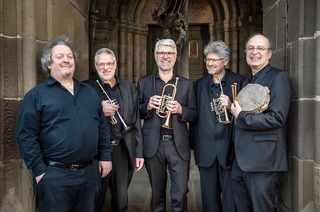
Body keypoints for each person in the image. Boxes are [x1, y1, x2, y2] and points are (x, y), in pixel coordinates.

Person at [16, 36, 112, 212]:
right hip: (55, 176)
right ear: (49, 64)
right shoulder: (36, 95)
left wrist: (105, 156)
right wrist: (40, 171)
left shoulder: (89, 92)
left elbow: (102, 127)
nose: (66, 60)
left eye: (69, 56)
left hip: (90, 175)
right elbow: (26, 136)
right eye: (59, 57)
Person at [230, 33, 292, 211]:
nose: (254, 52)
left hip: (262, 161)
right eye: (250, 48)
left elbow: (277, 118)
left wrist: (241, 116)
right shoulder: (248, 81)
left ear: (269, 53)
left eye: (260, 48)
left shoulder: (279, 78)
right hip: (241, 161)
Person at [137, 38, 197, 212]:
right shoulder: (144, 82)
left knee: (180, 194)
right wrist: (147, 106)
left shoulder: (186, 84)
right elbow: (135, 113)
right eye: (162, 53)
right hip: (153, 144)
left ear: (176, 57)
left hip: (177, 144)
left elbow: (194, 114)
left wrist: (181, 110)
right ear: (155, 56)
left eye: (170, 53)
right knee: (157, 195)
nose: (166, 56)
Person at [84, 48, 144, 212]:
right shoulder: (86, 88)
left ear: (115, 64)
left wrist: (138, 152)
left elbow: (136, 121)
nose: (106, 67)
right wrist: (99, 110)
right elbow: (78, 118)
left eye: (109, 63)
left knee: (121, 201)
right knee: (95, 200)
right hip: (96, 152)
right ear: (96, 66)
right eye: (101, 64)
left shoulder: (128, 87)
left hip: (122, 150)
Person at [190, 40, 246, 212]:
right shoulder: (198, 85)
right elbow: (194, 119)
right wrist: (193, 146)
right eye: (207, 59)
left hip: (231, 151)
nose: (210, 63)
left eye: (214, 59)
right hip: (206, 151)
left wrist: (231, 106)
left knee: (232, 202)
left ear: (226, 61)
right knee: (209, 202)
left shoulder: (241, 81)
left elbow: (247, 116)